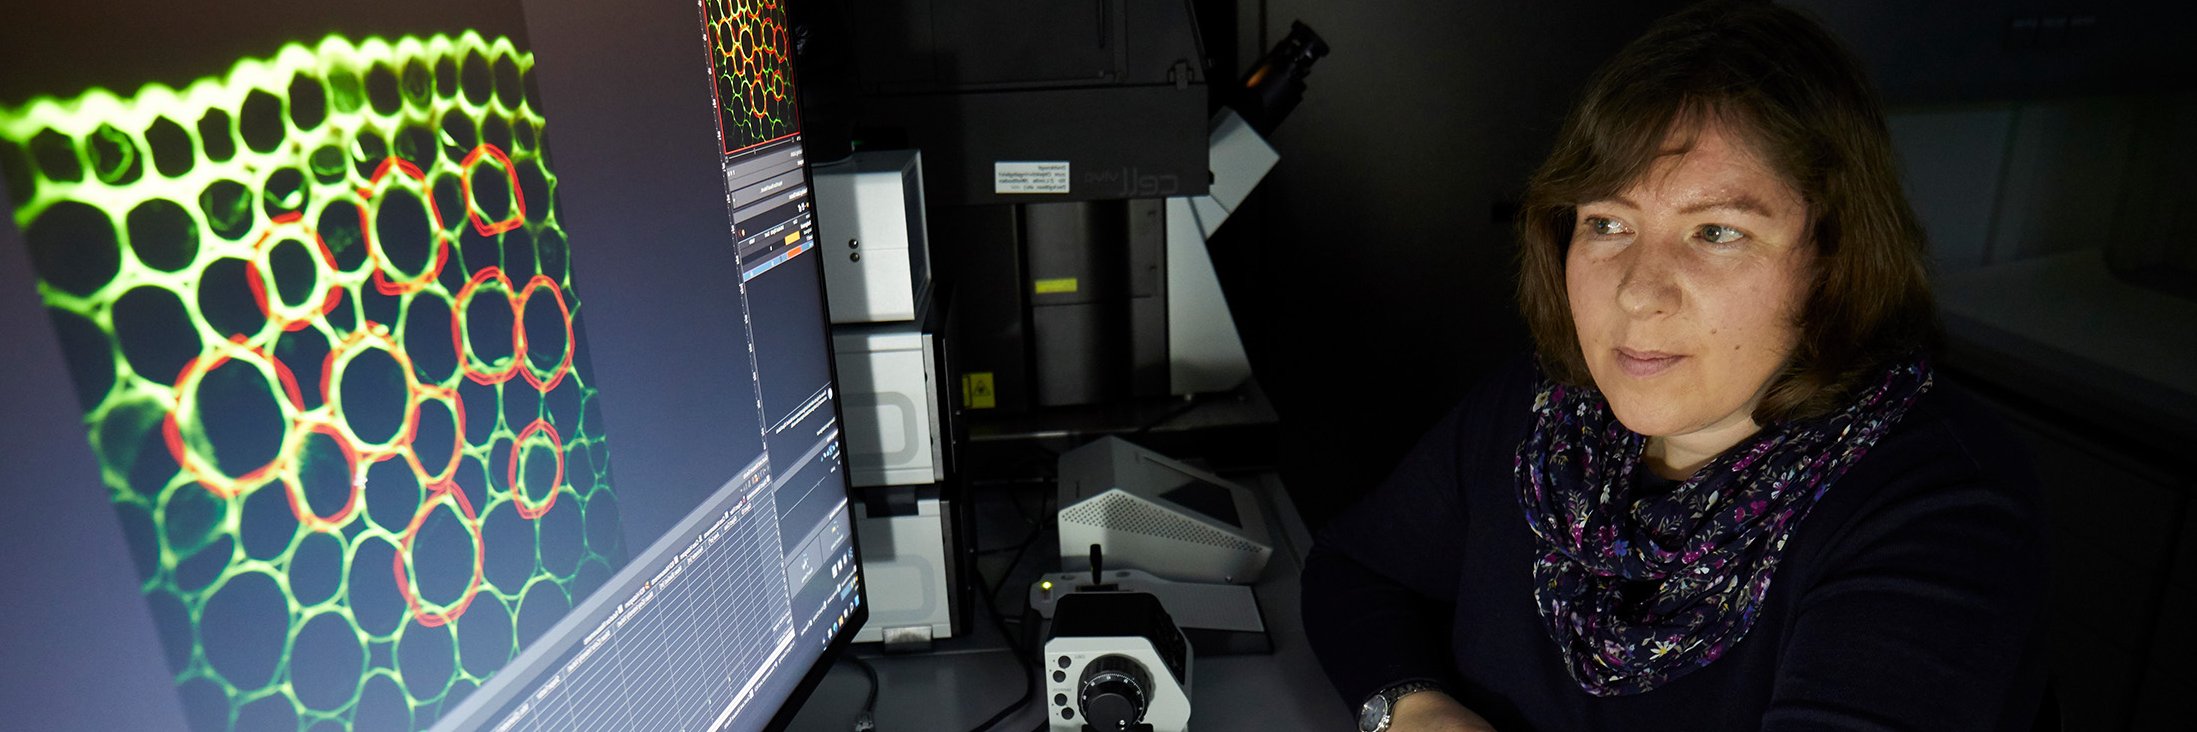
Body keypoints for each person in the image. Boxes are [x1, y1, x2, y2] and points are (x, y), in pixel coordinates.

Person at [1299, 2, 2048, 731]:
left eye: (1716, 231)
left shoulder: (1941, 513)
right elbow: (1356, 569)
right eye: (1608, 224)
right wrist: (1415, 710)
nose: (1637, 291)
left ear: (1833, 260)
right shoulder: (1546, 416)